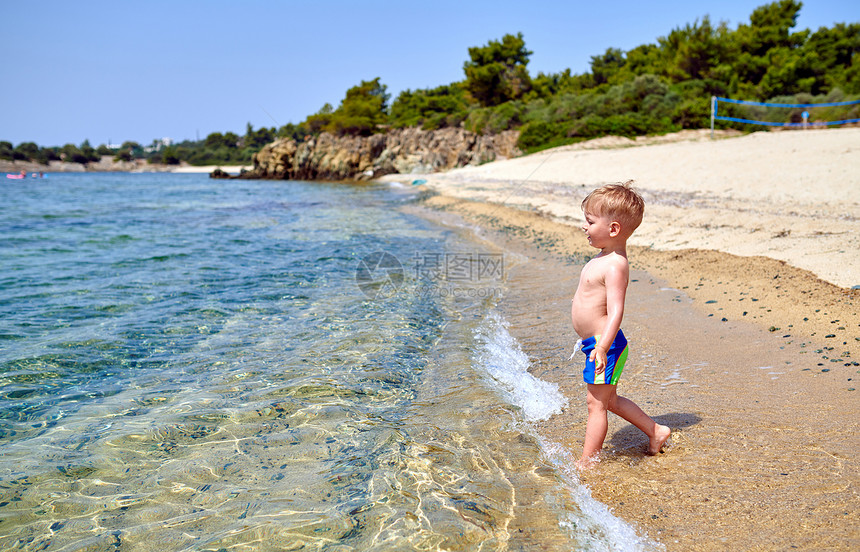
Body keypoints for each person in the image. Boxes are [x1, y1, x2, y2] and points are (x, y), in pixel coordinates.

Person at [570, 181, 671, 469]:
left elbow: (616, 311)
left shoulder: (616, 265)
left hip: (606, 344)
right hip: (597, 343)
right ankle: (656, 431)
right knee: (609, 401)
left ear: (613, 229)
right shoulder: (602, 257)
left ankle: (588, 462)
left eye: (590, 222)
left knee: (597, 405)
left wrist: (602, 346)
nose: (584, 227)